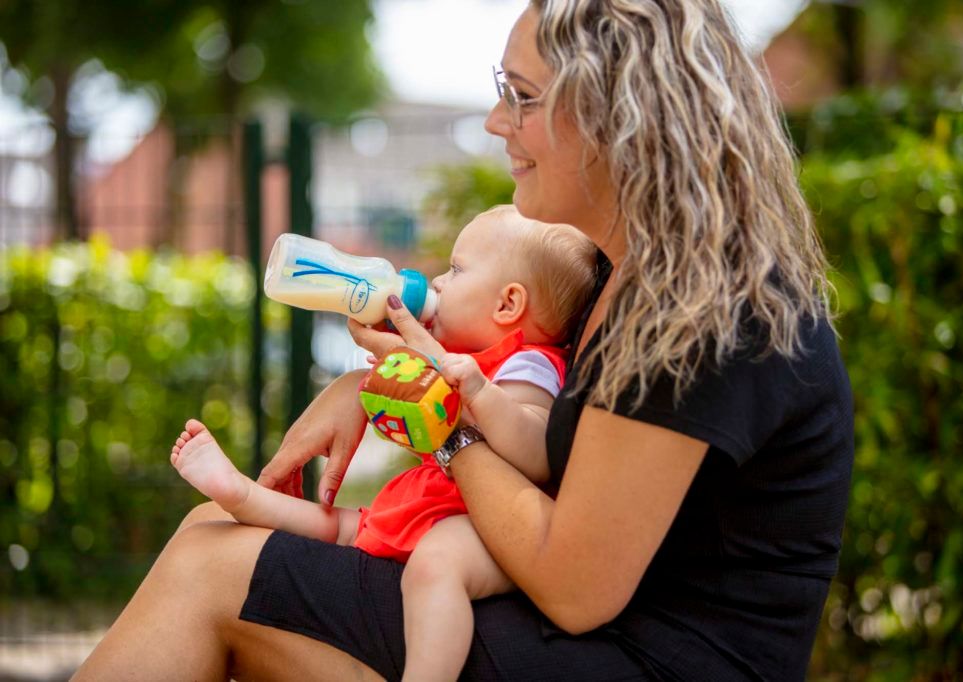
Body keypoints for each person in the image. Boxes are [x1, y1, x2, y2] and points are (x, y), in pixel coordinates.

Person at [75, 1, 854, 680]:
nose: (494, 123)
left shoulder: (702, 310)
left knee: (214, 569)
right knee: (211, 534)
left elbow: (574, 585)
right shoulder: (629, 279)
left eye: (520, 97)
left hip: (641, 658)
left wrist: (436, 420)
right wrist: (364, 386)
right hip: (595, 636)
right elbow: (526, 412)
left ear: (620, 117)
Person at [168, 204, 597, 681]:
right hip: (441, 501)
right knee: (340, 528)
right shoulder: (458, 352)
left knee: (435, 566)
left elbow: (537, 452)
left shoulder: (528, 365)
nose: (435, 282)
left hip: (483, 527)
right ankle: (242, 495)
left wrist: (471, 387)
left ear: (508, 305)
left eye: (455, 271)